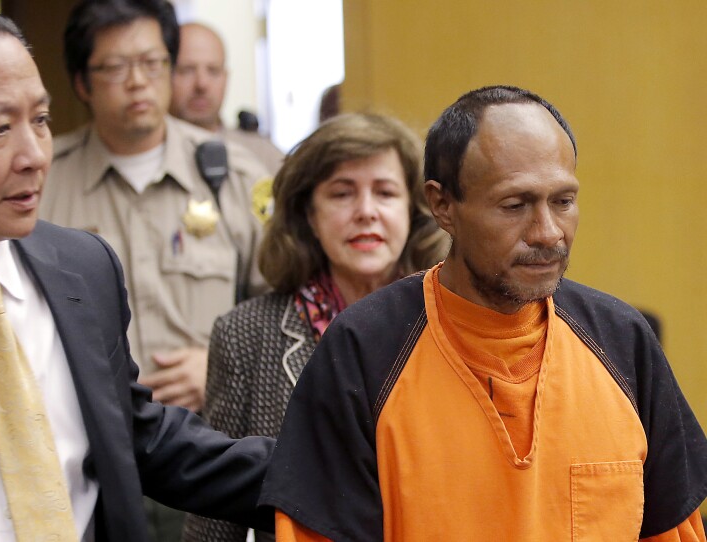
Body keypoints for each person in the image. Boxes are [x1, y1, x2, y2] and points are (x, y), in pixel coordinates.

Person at [0, 5, 274, 541]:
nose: (35, 156)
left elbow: (137, 437)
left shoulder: (83, 268)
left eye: (39, 120)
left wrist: (323, 475)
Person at [258, 86, 707, 541]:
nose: (548, 232)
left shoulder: (620, 340)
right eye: (515, 205)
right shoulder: (365, 349)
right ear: (442, 206)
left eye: (563, 201)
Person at [39, 2, 271, 540]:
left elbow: (287, 308)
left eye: (152, 62)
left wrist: (220, 361)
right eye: (116, 67)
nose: (138, 82)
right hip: (89, 456)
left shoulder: (234, 174)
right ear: (82, 82)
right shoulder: (44, 184)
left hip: (210, 451)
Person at [183, 113, 449, 542]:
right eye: (342, 193)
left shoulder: (453, 321)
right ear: (309, 214)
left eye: (385, 193)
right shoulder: (245, 334)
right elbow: (215, 512)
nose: (366, 212)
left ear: (414, 210)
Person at [169, 22, 285, 173]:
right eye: (186, 70)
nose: (202, 84)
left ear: (226, 78)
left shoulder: (264, 156)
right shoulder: (148, 155)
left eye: (213, 71)